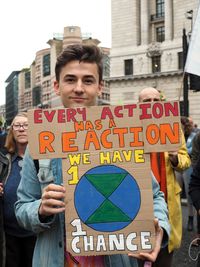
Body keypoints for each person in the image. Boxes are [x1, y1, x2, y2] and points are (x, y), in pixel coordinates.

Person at [15, 44, 170, 267]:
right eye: (70, 80)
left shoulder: (122, 136)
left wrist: (159, 228)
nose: (79, 88)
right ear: (57, 86)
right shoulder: (40, 141)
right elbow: (22, 207)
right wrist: (40, 210)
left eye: (88, 80)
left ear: (100, 86)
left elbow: (155, 197)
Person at [138, 87, 191, 267]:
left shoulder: (173, 128)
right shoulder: (130, 129)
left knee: (164, 255)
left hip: (168, 202)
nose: (152, 105)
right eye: (146, 102)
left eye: (156, 101)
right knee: (138, 251)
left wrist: (175, 157)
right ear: (138, 106)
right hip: (140, 201)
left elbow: (186, 161)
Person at [0, 113, 36, 267]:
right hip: (8, 234)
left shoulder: (43, 160)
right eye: (17, 125)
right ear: (12, 131)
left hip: (36, 233)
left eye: (26, 125)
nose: (22, 129)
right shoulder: (3, 159)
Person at [175, 116, 196, 231]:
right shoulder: (174, 135)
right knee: (176, 192)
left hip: (188, 167)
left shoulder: (192, 136)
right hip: (177, 166)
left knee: (189, 194)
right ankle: (176, 219)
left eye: (181, 125)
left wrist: (180, 150)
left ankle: (190, 218)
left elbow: (193, 150)